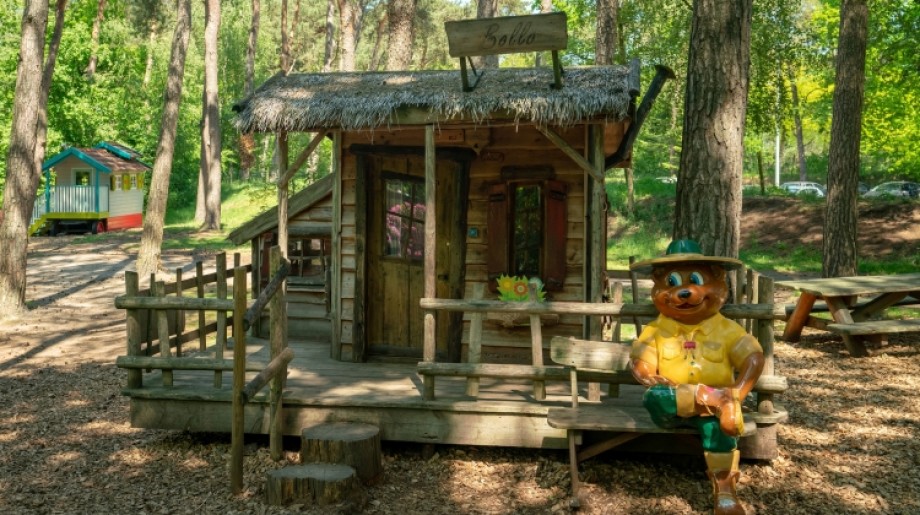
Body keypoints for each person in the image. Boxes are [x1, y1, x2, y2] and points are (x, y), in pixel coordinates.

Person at [629, 240, 764, 515]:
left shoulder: (727, 330)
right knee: (654, 397)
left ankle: (725, 491)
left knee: (717, 427)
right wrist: (645, 373)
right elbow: (641, 363)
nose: (683, 292)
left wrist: (737, 393)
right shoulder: (656, 331)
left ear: (718, 281)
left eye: (696, 280)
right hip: (672, 408)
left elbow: (753, 358)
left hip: (712, 416)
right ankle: (717, 400)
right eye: (671, 283)